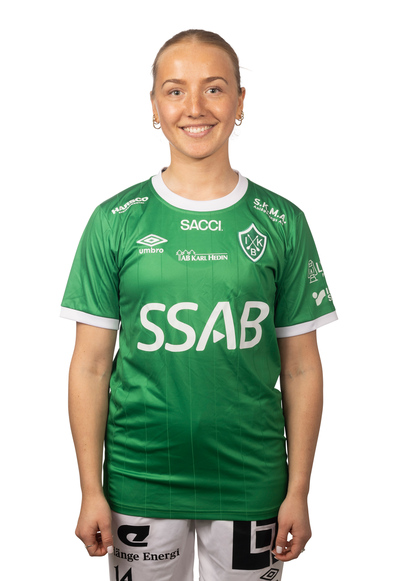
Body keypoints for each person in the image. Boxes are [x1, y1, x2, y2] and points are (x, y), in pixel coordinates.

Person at [61, 29, 337, 581]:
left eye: (213, 88)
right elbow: (90, 366)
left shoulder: (282, 221)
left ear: (240, 101)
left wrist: (299, 490)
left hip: (252, 479)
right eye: (175, 90)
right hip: (140, 478)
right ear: (154, 106)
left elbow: (301, 367)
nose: (194, 107)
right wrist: (90, 488)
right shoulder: (114, 221)